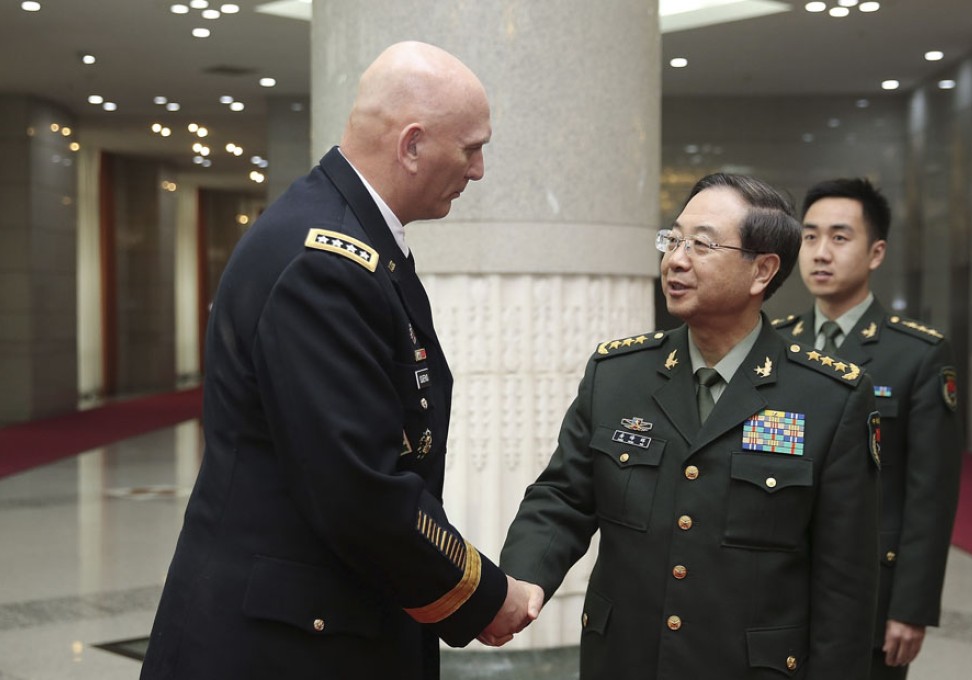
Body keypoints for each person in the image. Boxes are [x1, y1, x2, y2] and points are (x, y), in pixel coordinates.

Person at [140, 41, 541, 680]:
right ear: (411, 145)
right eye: (471, 147)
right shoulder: (324, 265)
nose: (479, 170)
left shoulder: (351, 236)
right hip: (284, 644)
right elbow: (359, 490)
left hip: (318, 619)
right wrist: (486, 597)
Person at [499, 173, 881, 679]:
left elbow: (845, 586)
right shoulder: (618, 375)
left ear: (762, 271)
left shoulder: (829, 398)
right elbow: (563, 496)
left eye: (701, 244)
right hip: (624, 660)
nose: (675, 259)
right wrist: (521, 580)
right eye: (673, 239)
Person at [772, 177, 962, 679]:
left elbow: (931, 494)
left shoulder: (917, 355)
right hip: (778, 579)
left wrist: (912, 606)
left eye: (839, 237)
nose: (819, 253)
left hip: (871, 588)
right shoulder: (776, 345)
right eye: (809, 237)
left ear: (875, 253)